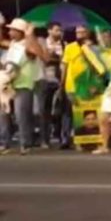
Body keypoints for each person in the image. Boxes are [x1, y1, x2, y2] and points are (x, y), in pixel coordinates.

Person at [0, 19, 48, 155]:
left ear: (20, 32)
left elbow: (41, 55)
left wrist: (29, 34)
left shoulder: (28, 45)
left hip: (23, 84)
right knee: (3, 114)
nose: (10, 32)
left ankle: (25, 144)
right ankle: (4, 143)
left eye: (12, 30)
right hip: (7, 84)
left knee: (21, 115)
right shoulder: (13, 44)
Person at [35, 21, 64, 148]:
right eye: (57, 30)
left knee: (60, 110)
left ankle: (61, 137)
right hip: (44, 79)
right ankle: (44, 139)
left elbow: (64, 61)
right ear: (49, 31)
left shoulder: (63, 44)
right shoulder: (42, 42)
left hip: (58, 80)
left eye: (60, 30)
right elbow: (43, 58)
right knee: (43, 110)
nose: (59, 32)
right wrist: (51, 56)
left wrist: (56, 57)